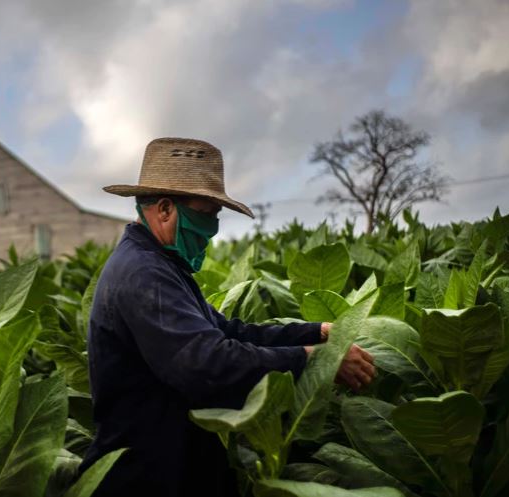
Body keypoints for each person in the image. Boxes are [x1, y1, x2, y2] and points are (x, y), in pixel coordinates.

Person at [78, 137, 375, 497]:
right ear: (165, 210)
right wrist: (313, 361)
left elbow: (229, 332)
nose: (212, 230)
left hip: (172, 468)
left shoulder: (161, 265)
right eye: (206, 215)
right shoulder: (144, 274)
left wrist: (316, 332)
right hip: (147, 478)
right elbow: (207, 363)